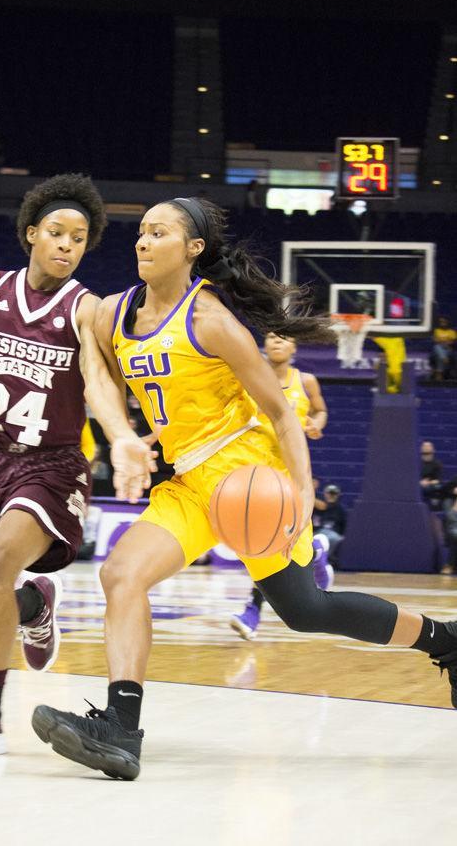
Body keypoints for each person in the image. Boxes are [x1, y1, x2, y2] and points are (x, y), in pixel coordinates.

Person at [32, 196, 457, 781]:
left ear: (194, 249)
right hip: (187, 482)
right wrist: (121, 437)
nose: (143, 241)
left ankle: (446, 640)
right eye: (142, 232)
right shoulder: (111, 312)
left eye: (159, 233)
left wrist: (303, 496)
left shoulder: (210, 322)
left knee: (306, 611)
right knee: (120, 574)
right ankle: (121, 730)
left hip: (247, 478)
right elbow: (95, 373)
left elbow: (284, 415)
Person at [0, 173, 155, 760]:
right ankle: (34, 604)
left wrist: (120, 436)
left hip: (50, 466)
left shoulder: (85, 307)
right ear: (31, 234)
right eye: (57, 232)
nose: (67, 244)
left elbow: (98, 384)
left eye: (79, 237)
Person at [231, 331, 329, 640]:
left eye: (284, 338)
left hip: (290, 471)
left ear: (294, 346)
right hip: (255, 467)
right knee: (263, 542)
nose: (277, 342)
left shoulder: (307, 380)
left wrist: (316, 424)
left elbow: (320, 409)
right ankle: (315, 551)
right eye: (272, 337)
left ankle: (252, 610)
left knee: (270, 544)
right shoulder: (251, 372)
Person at [313, 483, 347, 562]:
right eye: (330, 493)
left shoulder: (340, 509)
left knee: (334, 538)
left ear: (337, 495)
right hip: (318, 532)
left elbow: (343, 526)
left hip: (333, 533)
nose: (331, 495)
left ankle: (324, 560)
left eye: (334, 494)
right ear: (325, 494)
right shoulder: (319, 506)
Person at [420, 440, 443, 510]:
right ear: (421, 448)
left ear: (433, 449)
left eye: (428, 446)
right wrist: (420, 482)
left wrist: (427, 483)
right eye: (425, 446)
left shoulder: (437, 463)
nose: (426, 447)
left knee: (437, 487)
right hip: (417, 485)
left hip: (431, 486)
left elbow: (438, 480)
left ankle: (434, 507)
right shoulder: (415, 462)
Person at [431, 316, 456, 381]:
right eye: (441, 322)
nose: (442, 323)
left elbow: (452, 342)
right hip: (438, 348)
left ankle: (439, 373)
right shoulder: (436, 331)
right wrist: (445, 342)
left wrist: (442, 342)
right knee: (437, 347)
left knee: (439, 353)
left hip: (448, 349)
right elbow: (435, 340)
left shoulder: (451, 331)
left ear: (447, 322)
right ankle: (444, 358)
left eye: (444, 322)